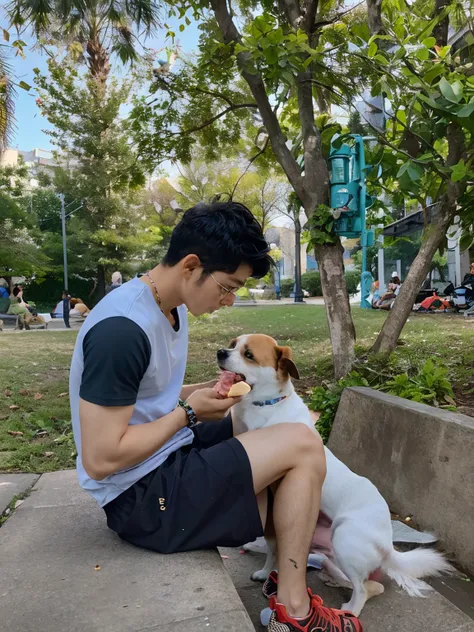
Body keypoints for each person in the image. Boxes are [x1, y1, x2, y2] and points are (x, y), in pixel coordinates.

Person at [69, 202, 363, 632]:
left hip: (164, 460)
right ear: (191, 266)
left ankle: (285, 563)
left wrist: (201, 393)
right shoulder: (122, 330)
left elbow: (147, 398)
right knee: (302, 441)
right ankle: (295, 612)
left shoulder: (170, 308)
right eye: (228, 286)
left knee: (267, 423)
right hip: (142, 501)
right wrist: (189, 412)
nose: (229, 300)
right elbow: (100, 458)